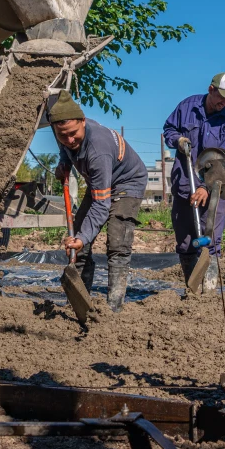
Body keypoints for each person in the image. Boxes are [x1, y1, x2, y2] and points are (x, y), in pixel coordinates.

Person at [50, 91, 147, 312]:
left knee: (117, 242)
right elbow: (65, 148)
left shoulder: (98, 151)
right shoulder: (65, 134)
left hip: (127, 182)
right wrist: (64, 164)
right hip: (99, 181)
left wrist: (83, 238)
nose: (69, 140)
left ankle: (114, 307)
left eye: (73, 134)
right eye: (63, 136)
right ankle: (80, 301)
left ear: (83, 121)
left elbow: (101, 206)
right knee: (79, 239)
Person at [162, 73, 225, 290]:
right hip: (185, 184)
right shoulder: (187, 107)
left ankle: (209, 290)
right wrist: (178, 140)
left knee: (211, 240)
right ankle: (192, 290)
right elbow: (169, 129)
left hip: (214, 190)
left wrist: (206, 187)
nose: (224, 102)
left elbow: (224, 159)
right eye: (222, 96)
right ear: (211, 89)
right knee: (185, 241)